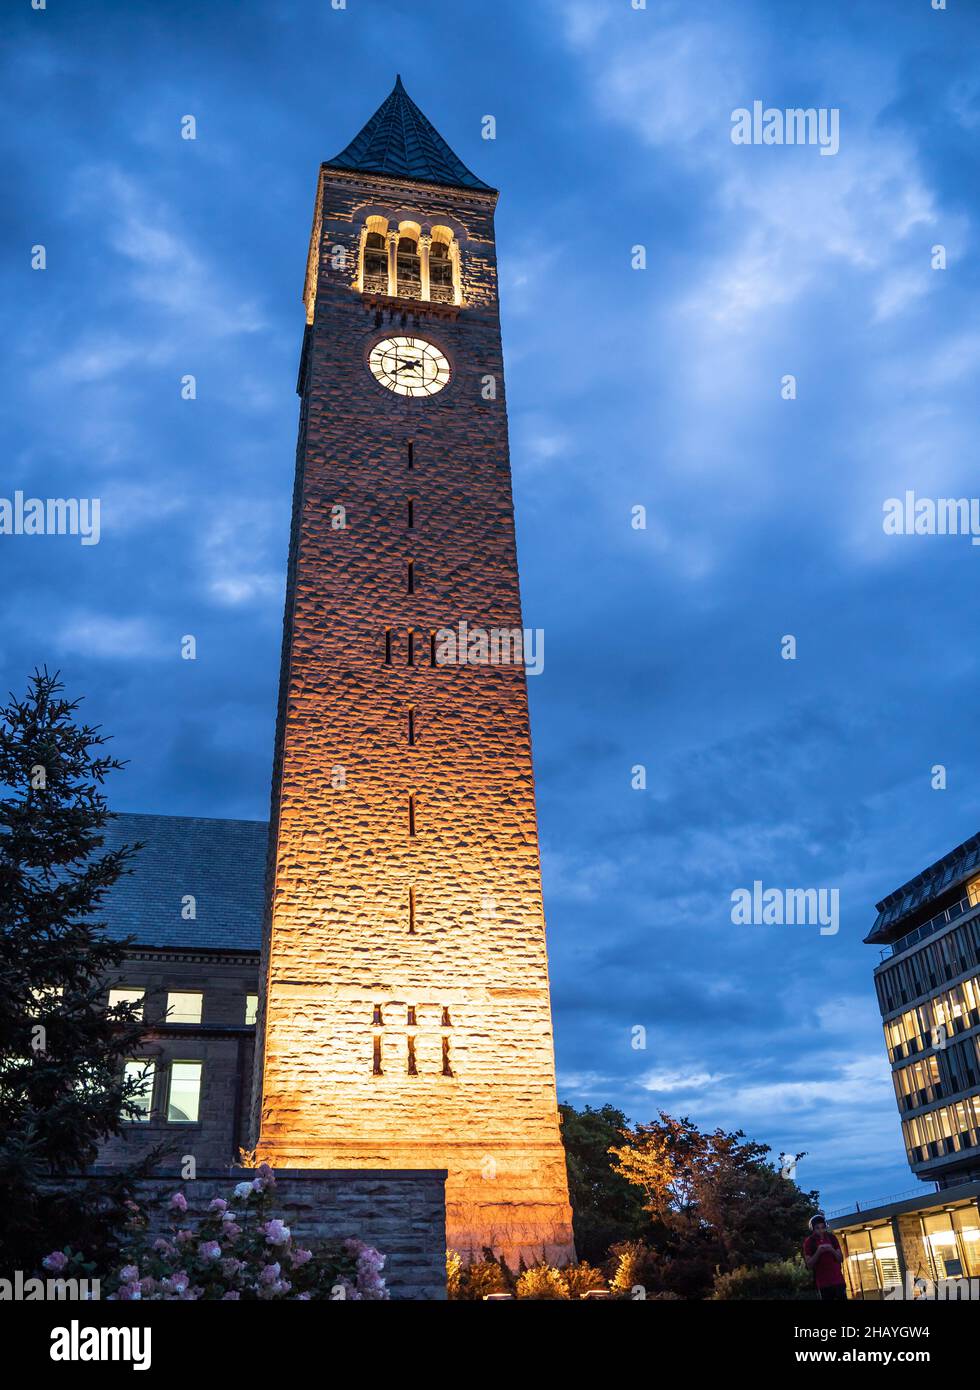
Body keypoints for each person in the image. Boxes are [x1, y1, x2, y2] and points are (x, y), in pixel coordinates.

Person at [803, 1213, 847, 1300]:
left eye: (823, 1227)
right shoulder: (809, 1242)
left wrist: (831, 1250)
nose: (821, 1230)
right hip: (823, 1284)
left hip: (838, 1281)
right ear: (813, 1229)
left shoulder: (832, 1238)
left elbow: (840, 1259)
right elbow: (809, 1265)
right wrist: (818, 1251)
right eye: (817, 1228)